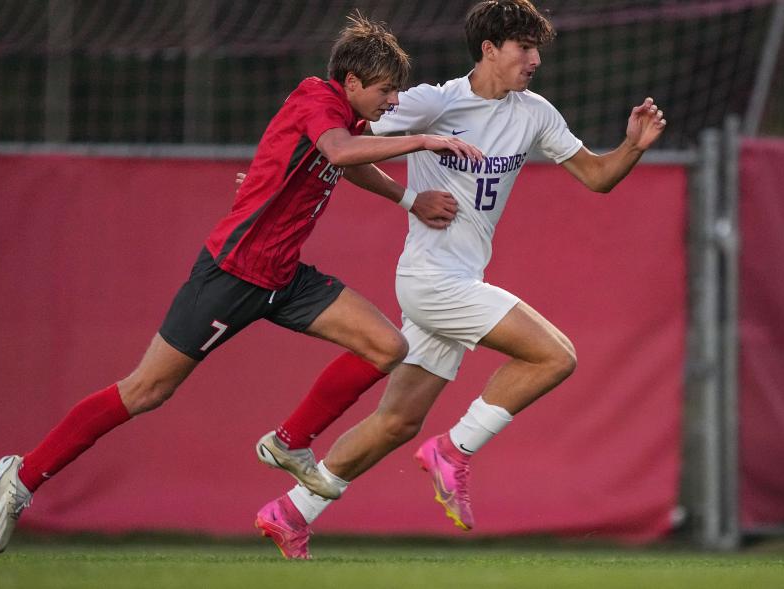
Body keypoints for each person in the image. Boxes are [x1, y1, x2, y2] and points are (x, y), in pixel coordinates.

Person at [0, 13, 483, 554]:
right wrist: (424, 141)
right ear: (353, 82)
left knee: (388, 345)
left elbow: (347, 159)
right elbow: (339, 152)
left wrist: (409, 199)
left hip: (284, 277)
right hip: (229, 274)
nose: (392, 102)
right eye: (386, 91)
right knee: (147, 390)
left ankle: (289, 444)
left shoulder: (350, 122)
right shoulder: (318, 100)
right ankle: (24, 475)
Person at [253, 0, 667, 560]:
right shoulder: (434, 102)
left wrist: (632, 148)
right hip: (430, 279)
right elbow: (340, 146)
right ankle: (454, 450)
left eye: (538, 49)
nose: (535, 59)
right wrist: (405, 197)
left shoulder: (534, 112)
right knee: (555, 356)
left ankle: (290, 513)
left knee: (396, 422)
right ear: (489, 49)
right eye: (524, 48)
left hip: (457, 278)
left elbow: (597, 177)